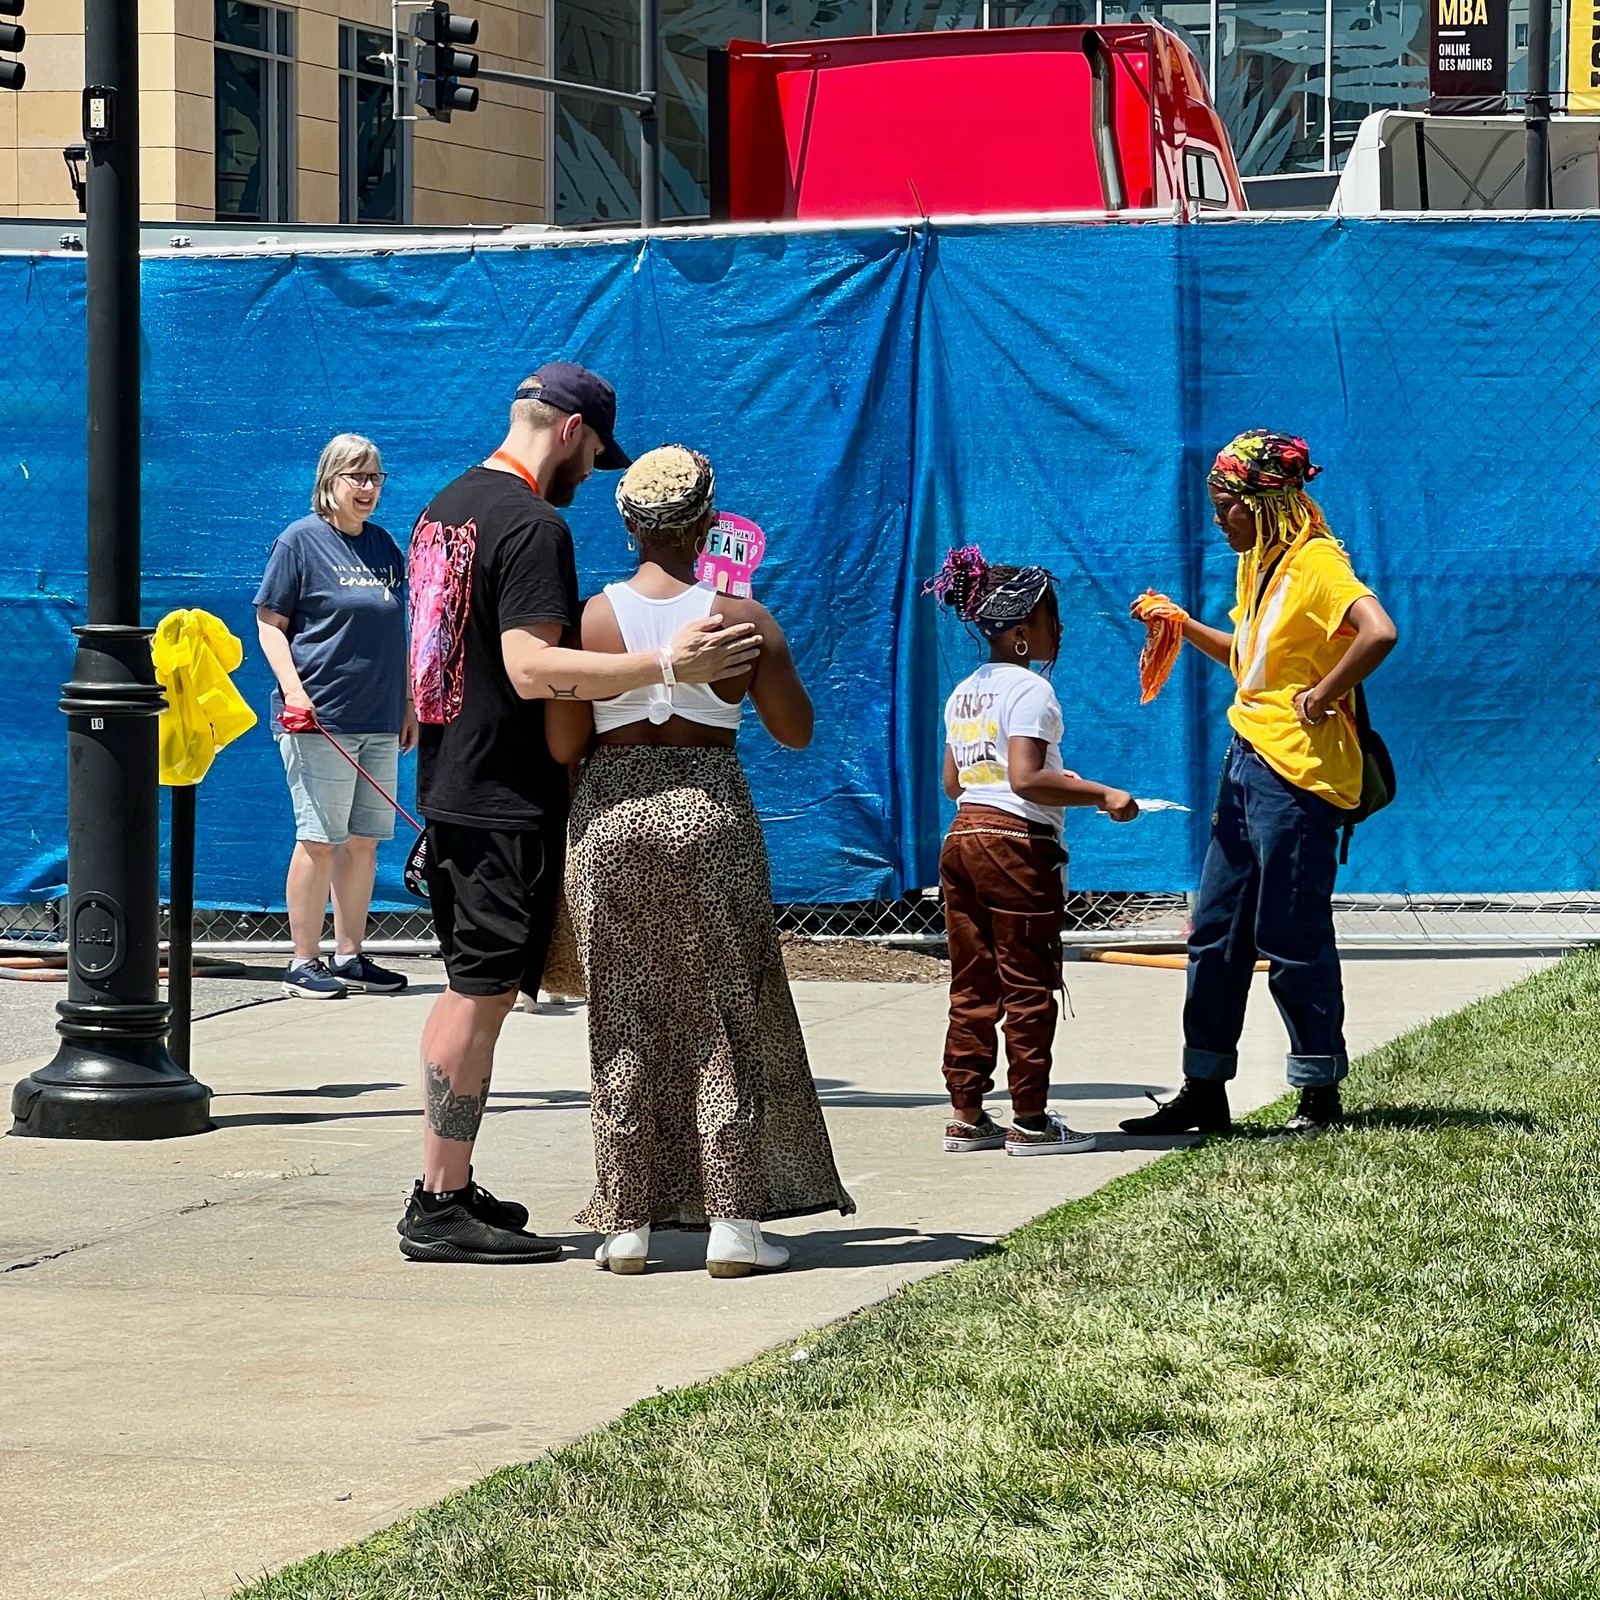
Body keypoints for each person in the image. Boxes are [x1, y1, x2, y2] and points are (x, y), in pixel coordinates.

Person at [397, 370, 763, 1265]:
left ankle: (448, 1183)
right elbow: (532, 669)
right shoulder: (533, 525)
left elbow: (434, 660)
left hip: (453, 783)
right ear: (569, 430)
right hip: (501, 794)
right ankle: (438, 1203)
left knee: (469, 985)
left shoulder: (445, 507)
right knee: (479, 994)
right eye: (595, 453)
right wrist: (665, 665)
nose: (593, 474)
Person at [546, 445, 854, 1278]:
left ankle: (627, 1224)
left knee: (622, 1014)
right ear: (709, 521)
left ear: (628, 524)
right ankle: (733, 1224)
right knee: (726, 1011)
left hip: (611, 819)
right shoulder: (742, 620)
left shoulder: (592, 620)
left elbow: (564, 742)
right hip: (709, 812)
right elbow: (795, 730)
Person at [1123, 430, 1397, 1139]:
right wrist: (1183, 625)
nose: (1218, 521)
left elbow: (1379, 631)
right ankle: (1203, 1091)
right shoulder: (1261, 563)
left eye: (1226, 507)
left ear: (1264, 503)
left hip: (1296, 778)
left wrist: (1324, 693)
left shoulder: (1317, 563)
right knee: (1216, 931)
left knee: (1292, 933)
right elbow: (1250, 662)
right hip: (1246, 762)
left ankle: (1319, 1096)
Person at [929, 548, 1139, 1157]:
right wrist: (1102, 794)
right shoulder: (1032, 690)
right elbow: (1025, 780)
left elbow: (953, 783)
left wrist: (1043, 782)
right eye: (1051, 618)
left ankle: (967, 1116)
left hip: (962, 839)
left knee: (973, 983)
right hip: (1016, 848)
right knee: (1028, 983)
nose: (1059, 629)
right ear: (1021, 632)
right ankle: (1030, 1121)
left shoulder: (964, 692)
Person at [255, 433, 416, 1001]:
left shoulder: (384, 545)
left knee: (364, 841)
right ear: (330, 481)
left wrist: (407, 703)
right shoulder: (300, 541)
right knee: (320, 839)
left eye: (375, 477)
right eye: (357, 477)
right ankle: (302, 961)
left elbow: (397, 631)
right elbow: (270, 624)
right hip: (319, 718)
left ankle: (349, 955)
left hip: (379, 717)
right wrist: (294, 692)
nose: (368, 488)